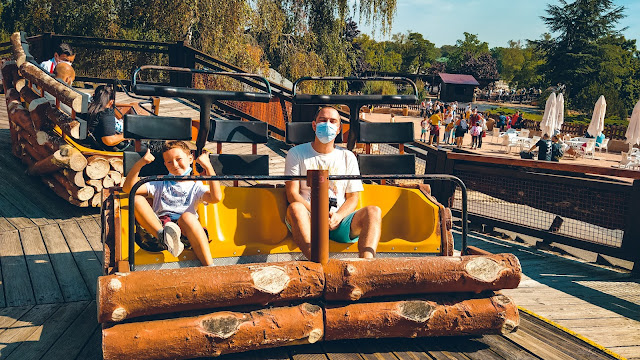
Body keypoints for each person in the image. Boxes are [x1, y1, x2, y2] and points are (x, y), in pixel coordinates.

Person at [284, 106, 382, 259]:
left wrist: (338, 216)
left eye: (332, 121)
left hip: (338, 220)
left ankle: (367, 267)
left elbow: (353, 198)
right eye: (323, 120)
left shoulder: (348, 157)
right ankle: (317, 264)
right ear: (314, 125)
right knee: (295, 208)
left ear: (338, 129)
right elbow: (292, 194)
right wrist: (318, 214)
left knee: (374, 212)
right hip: (308, 217)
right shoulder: (296, 153)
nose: (327, 124)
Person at [122, 141, 222, 266]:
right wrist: (140, 163)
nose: (175, 164)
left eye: (179, 159)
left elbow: (216, 198)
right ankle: (165, 237)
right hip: (159, 232)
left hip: (186, 234)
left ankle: (210, 267)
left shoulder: (196, 186)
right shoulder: (159, 183)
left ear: (190, 158)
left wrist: (208, 167)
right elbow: (128, 189)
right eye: (169, 162)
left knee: (188, 217)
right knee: (136, 199)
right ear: (165, 164)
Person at [87, 85, 133, 151]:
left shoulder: (88, 108)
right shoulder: (106, 113)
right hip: (101, 150)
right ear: (111, 102)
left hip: (89, 143)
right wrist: (126, 135)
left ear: (94, 96)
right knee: (142, 150)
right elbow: (109, 140)